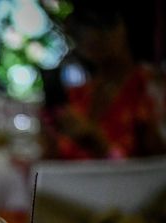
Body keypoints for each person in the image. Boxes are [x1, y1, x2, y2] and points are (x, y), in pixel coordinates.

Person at [40, 2, 166, 161]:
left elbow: (158, 173)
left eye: (101, 21)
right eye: (81, 22)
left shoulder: (151, 88)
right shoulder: (79, 95)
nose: (89, 33)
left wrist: (100, 145)